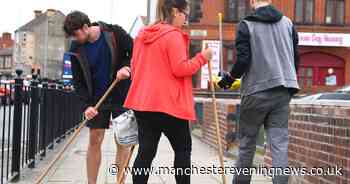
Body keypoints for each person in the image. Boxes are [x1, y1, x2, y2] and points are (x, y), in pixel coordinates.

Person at [123, 0, 213, 183]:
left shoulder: (142, 35)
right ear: (174, 11)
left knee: (145, 152)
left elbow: (135, 66)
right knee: (182, 149)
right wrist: (202, 58)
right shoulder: (173, 36)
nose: (186, 18)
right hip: (169, 104)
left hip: (143, 103)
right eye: (185, 14)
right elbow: (180, 69)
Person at [217, 0, 300, 183]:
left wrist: (228, 80)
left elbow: (243, 61)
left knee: (247, 145)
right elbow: (295, 58)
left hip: (255, 93)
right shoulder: (288, 23)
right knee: (279, 145)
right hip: (283, 92)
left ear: (252, 1)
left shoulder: (246, 25)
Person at [63, 11, 133, 184]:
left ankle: (120, 181)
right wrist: (86, 105)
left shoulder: (114, 33)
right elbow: (78, 81)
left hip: (120, 93)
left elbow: (134, 52)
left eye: (76, 34)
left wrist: (126, 67)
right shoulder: (76, 49)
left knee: (122, 141)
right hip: (96, 99)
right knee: (95, 139)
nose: (75, 38)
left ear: (86, 27)